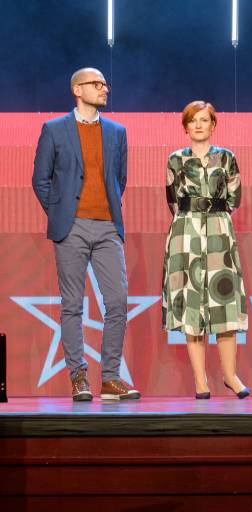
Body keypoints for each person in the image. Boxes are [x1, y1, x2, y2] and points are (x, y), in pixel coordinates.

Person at [32, 67, 139, 401]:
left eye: (105, 84)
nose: (105, 88)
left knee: (118, 301)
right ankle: (78, 377)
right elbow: (40, 180)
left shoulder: (117, 132)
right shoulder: (54, 129)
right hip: (71, 227)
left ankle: (110, 378)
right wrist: (61, 212)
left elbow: (119, 179)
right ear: (77, 90)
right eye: (97, 84)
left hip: (107, 226)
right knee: (72, 305)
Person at [162, 101, 250, 399]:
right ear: (185, 127)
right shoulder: (175, 159)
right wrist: (192, 221)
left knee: (224, 302)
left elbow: (234, 198)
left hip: (218, 232)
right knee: (192, 307)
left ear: (213, 125)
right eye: (193, 120)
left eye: (204, 120)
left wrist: (214, 219)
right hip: (185, 233)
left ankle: (230, 376)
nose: (198, 125)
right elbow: (172, 199)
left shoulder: (226, 158)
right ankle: (200, 382)